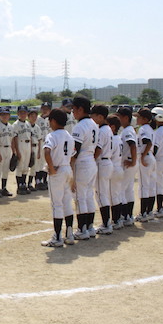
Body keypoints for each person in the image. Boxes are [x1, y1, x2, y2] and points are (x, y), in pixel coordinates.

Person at [40, 109, 76, 247]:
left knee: (57, 204)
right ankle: (70, 234)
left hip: (58, 170)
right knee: (67, 202)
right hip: (67, 168)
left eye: (50, 120)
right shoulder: (69, 135)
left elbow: (47, 151)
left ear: (54, 121)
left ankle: (57, 237)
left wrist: (52, 167)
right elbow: (73, 154)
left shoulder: (52, 135)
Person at [71, 96, 99, 240]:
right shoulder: (94, 123)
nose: (73, 112)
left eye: (74, 109)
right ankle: (89, 227)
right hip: (91, 161)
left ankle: (82, 229)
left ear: (81, 109)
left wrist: (71, 172)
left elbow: (75, 151)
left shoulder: (80, 126)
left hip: (82, 163)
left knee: (80, 197)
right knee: (88, 196)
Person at [91, 105, 114, 235]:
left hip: (102, 162)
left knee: (101, 195)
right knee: (103, 194)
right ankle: (106, 223)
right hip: (107, 162)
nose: (92, 118)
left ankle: (106, 224)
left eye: (93, 116)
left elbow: (98, 149)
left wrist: (92, 160)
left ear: (100, 117)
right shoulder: (107, 129)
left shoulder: (102, 130)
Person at [117, 107, 138, 226]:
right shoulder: (129, 129)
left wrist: (133, 161)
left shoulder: (127, 131)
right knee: (128, 190)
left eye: (120, 117)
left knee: (121, 190)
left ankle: (124, 216)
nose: (118, 119)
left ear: (126, 118)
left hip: (128, 163)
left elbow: (132, 145)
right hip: (130, 163)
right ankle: (129, 216)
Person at [136, 108, 157, 222]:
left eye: (139, 117)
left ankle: (143, 213)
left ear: (145, 119)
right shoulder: (150, 128)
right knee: (151, 186)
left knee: (144, 186)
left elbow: (147, 142)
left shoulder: (143, 128)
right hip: (151, 157)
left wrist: (143, 156)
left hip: (146, 157)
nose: (137, 119)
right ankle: (149, 212)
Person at [151, 107, 163, 217]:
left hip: (159, 159)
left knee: (159, 185)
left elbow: (155, 148)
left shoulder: (158, 132)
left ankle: (160, 209)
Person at [107, 115, 125, 229]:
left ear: (112, 127)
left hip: (113, 168)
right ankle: (119, 219)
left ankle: (116, 219)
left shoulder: (112, 139)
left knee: (112, 196)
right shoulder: (118, 138)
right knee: (116, 195)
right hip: (119, 167)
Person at [0, 107, 14, 198]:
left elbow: (12, 139)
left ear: (9, 116)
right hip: (0, 148)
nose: (4, 116)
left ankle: (4, 188)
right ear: (0, 116)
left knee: (6, 169)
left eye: (6, 114)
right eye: (2, 114)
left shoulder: (10, 126)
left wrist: (13, 151)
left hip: (8, 149)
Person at [12, 105, 33, 195]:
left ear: (27, 113)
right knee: (20, 166)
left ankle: (24, 184)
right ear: (18, 113)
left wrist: (31, 149)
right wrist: (17, 151)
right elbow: (14, 139)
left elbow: (31, 137)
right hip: (20, 144)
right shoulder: (15, 125)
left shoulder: (28, 124)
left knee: (26, 167)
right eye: (21, 112)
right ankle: (19, 186)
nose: (23, 114)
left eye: (24, 112)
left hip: (28, 145)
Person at [27, 108, 44, 191]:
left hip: (36, 147)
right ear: (28, 117)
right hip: (28, 147)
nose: (34, 118)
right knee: (26, 167)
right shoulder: (26, 126)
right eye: (32, 116)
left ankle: (30, 184)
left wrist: (39, 152)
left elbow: (40, 139)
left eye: (35, 116)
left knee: (34, 167)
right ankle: (23, 183)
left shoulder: (37, 127)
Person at [36, 101, 52, 190]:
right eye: (44, 108)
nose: (45, 110)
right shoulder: (38, 119)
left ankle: (44, 180)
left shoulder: (51, 119)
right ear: (41, 109)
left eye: (47, 109)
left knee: (46, 162)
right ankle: (38, 181)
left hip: (48, 143)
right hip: (40, 142)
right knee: (39, 162)